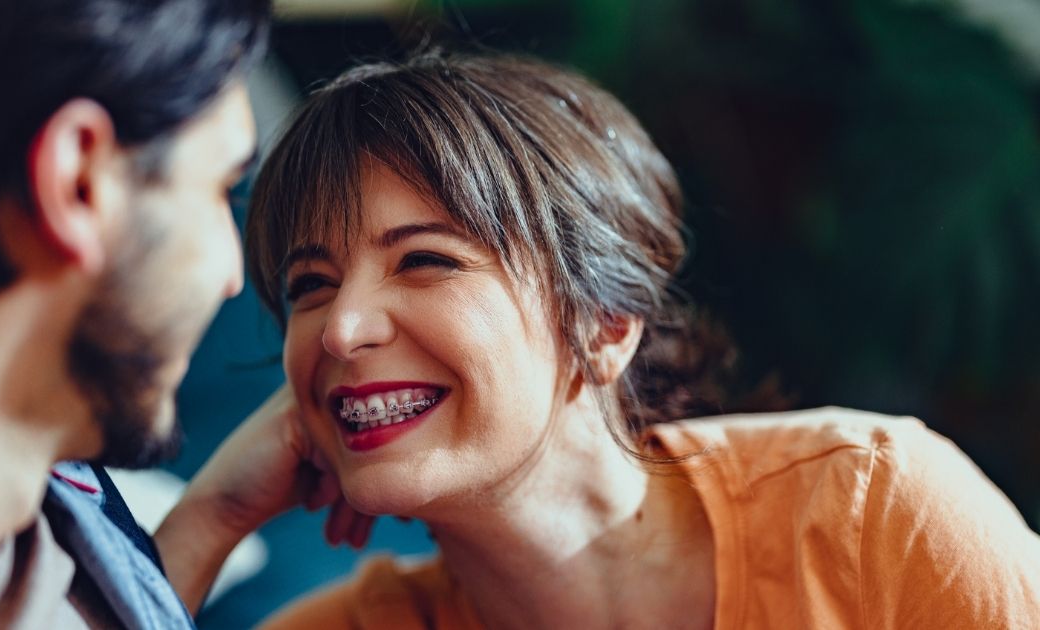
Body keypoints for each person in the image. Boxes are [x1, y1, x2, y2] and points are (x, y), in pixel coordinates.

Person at [243, 52, 1040, 629]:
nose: (342, 330)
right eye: (311, 284)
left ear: (603, 325)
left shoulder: (876, 520)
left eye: (423, 261)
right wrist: (211, 519)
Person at [0, 0, 345, 627]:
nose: (231, 276)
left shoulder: (59, 515)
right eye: (220, 190)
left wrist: (215, 515)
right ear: (77, 183)